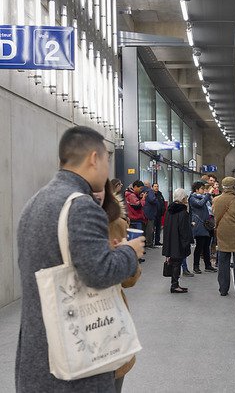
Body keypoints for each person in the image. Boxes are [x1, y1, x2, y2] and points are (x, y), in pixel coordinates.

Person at [15, 126, 145, 392]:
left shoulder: (35, 202)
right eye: (107, 161)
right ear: (94, 159)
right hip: (77, 363)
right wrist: (130, 251)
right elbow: (98, 273)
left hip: (37, 354)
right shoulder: (81, 205)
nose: (107, 171)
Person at [94, 179, 142, 393]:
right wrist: (127, 253)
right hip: (98, 318)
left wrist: (126, 255)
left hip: (100, 319)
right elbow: (128, 279)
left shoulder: (117, 223)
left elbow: (128, 280)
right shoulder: (114, 222)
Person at [162, 188, 194, 293]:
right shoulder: (182, 211)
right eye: (186, 197)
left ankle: (175, 284)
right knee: (177, 263)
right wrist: (187, 242)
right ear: (183, 198)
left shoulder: (170, 209)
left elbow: (166, 226)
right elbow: (184, 230)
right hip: (179, 241)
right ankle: (174, 285)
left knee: (174, 262)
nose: (187, 199)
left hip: (171, 239)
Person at [189, 180, 217, 274]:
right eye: (202, 188)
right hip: (199, 225)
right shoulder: (192, 198)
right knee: (199, 246)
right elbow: (200, 204)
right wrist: (208, 194)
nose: (203, 190)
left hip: (207, 224)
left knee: (206, 246)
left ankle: (208, 265)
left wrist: (209, 196)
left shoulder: (204, 197)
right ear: (196, 189)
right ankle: (196, 266)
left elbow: (211, 203)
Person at [142, 180, 158, 247]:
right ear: (149, 185)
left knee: (145, 229)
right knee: (150, 229)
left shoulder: (142, 191)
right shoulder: (150, 191)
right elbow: (152, 200)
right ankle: (149, 243)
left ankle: (145, 242)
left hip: (144, 213)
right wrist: (156, 200)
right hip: (150, 212)